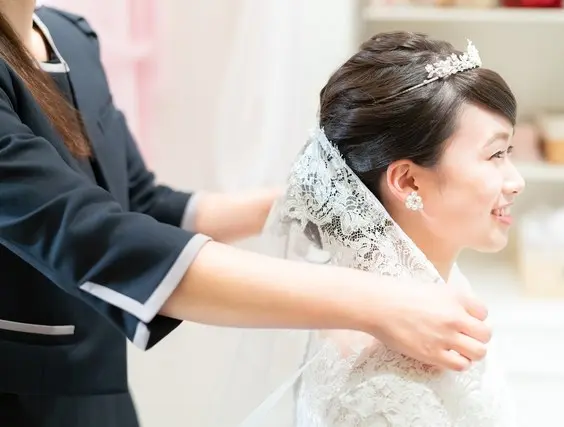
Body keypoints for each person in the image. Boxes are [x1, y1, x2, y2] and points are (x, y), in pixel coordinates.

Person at [0, 2, 493, 426]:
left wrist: (319, 197)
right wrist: (375, 303)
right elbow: (96, 237)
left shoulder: (70, 36)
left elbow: (141, 204)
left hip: (102, 391)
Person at [245, 32, 526, 426]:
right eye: (495, 154)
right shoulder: (392, 389)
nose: (516, 182)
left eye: (508, 152)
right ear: (408, 182)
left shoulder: (427, 289)